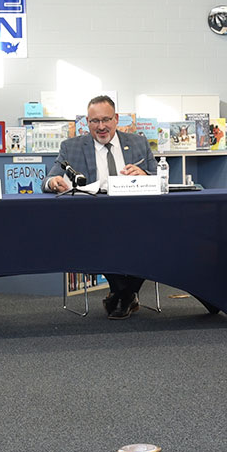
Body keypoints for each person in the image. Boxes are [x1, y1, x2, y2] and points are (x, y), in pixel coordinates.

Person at [45, 95, 157, 319]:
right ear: (87, 122)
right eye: (95, 121)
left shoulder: (138, 142)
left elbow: (159, 176)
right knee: (101, 235)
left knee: (155, 236)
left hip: (136, 216)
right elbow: (49, 179)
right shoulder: (72, 147)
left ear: (116, 119)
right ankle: (126, 295)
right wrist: (53, 183)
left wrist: (145, 174)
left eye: (106, 119)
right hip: (94, 219)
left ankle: (121, 295)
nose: (102, 126)